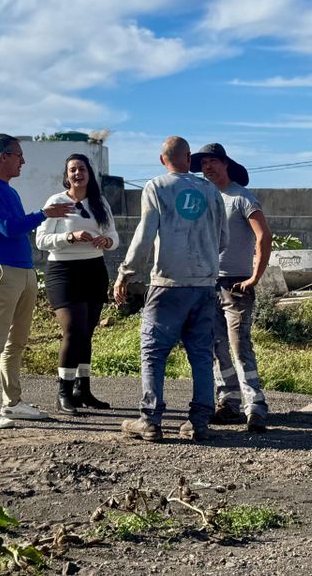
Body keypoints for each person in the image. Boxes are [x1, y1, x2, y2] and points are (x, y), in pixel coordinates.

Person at [114, 136, 227, 442]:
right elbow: (224, 240)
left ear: (162, 159)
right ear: (189, 158)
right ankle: (199, 422)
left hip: (168, 285)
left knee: (153, 352)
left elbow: (145, 234)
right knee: (202, 355)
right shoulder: (210, 191)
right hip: (204, 285)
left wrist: (126, 273)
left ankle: (150, 420)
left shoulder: (157, 187)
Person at [0, 134, 73, 429]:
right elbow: (8, 227)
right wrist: (43, 214)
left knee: (16, 342)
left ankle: (11, 403)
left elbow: (17, 226)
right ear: (3, 156)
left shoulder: (9, 191)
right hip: (0, 271)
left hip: (24, 270)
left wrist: (40, 216)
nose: (23, 161)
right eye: (18, 155)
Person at [191, 143, 273, 433]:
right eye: (203, 163)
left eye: (213, 161)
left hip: (236, 284)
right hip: (208, 283)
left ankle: (256, 406)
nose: (208, 167)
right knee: (216, 347)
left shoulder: (242, 197)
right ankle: (228, 403)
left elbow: (264, 237)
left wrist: (254, 278)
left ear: (226, 164)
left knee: (239, 347)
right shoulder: (204, 198)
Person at [35, 153, 119, 416]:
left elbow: (114, 236)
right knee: (73, 328)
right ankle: (64, 392)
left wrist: (106, 242)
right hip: (63, 271)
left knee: (87, 332)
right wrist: (70, 236)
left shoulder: (99, 202)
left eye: (81, 169)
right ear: (66, 175)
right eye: (72, 170)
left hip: (94, 269)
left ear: (89, 173)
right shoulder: (56, 201)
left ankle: (83, 390)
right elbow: (41, 240)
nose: (77, 173)